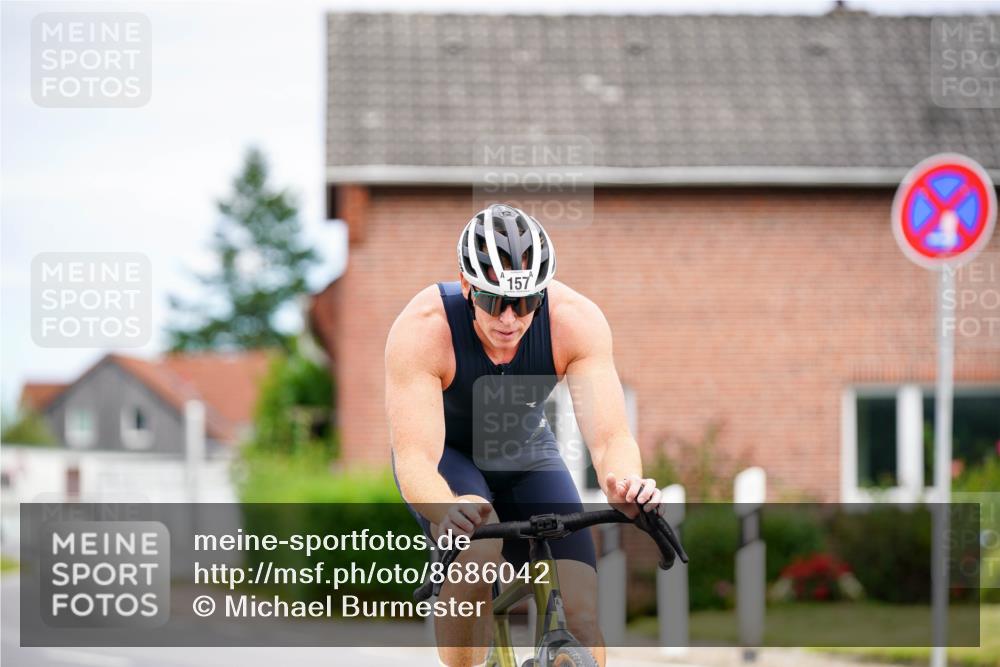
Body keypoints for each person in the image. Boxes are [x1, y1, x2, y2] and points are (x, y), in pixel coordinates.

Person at [386, 204, 662, 667]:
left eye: (527, 301)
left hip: (526, 453)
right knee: (478, 552)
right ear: (467, 286)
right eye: (495, 301)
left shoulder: (575, 321)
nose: (510, 319)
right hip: (447, 460)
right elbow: (415, 457)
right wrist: (446, 509)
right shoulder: (424, 330)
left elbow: (611, 437)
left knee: (581, 607)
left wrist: (626, 481)